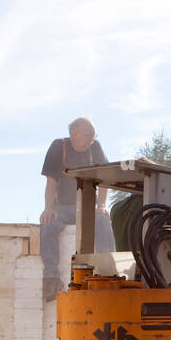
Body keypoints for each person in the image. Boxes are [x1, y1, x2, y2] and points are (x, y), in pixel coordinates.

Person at [39, 117, 115, 297]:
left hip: (88, 207)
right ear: (75, 135)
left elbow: (105, 179)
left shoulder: (95, 147)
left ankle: (108, 273)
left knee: (103, 222)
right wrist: (48, 208)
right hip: (62, 207)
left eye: (94, 136)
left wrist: (102, 205)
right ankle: (51, 277)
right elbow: (51, 181)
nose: (92, 139)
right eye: (88, 135)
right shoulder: (59, 147)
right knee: (48, 224)